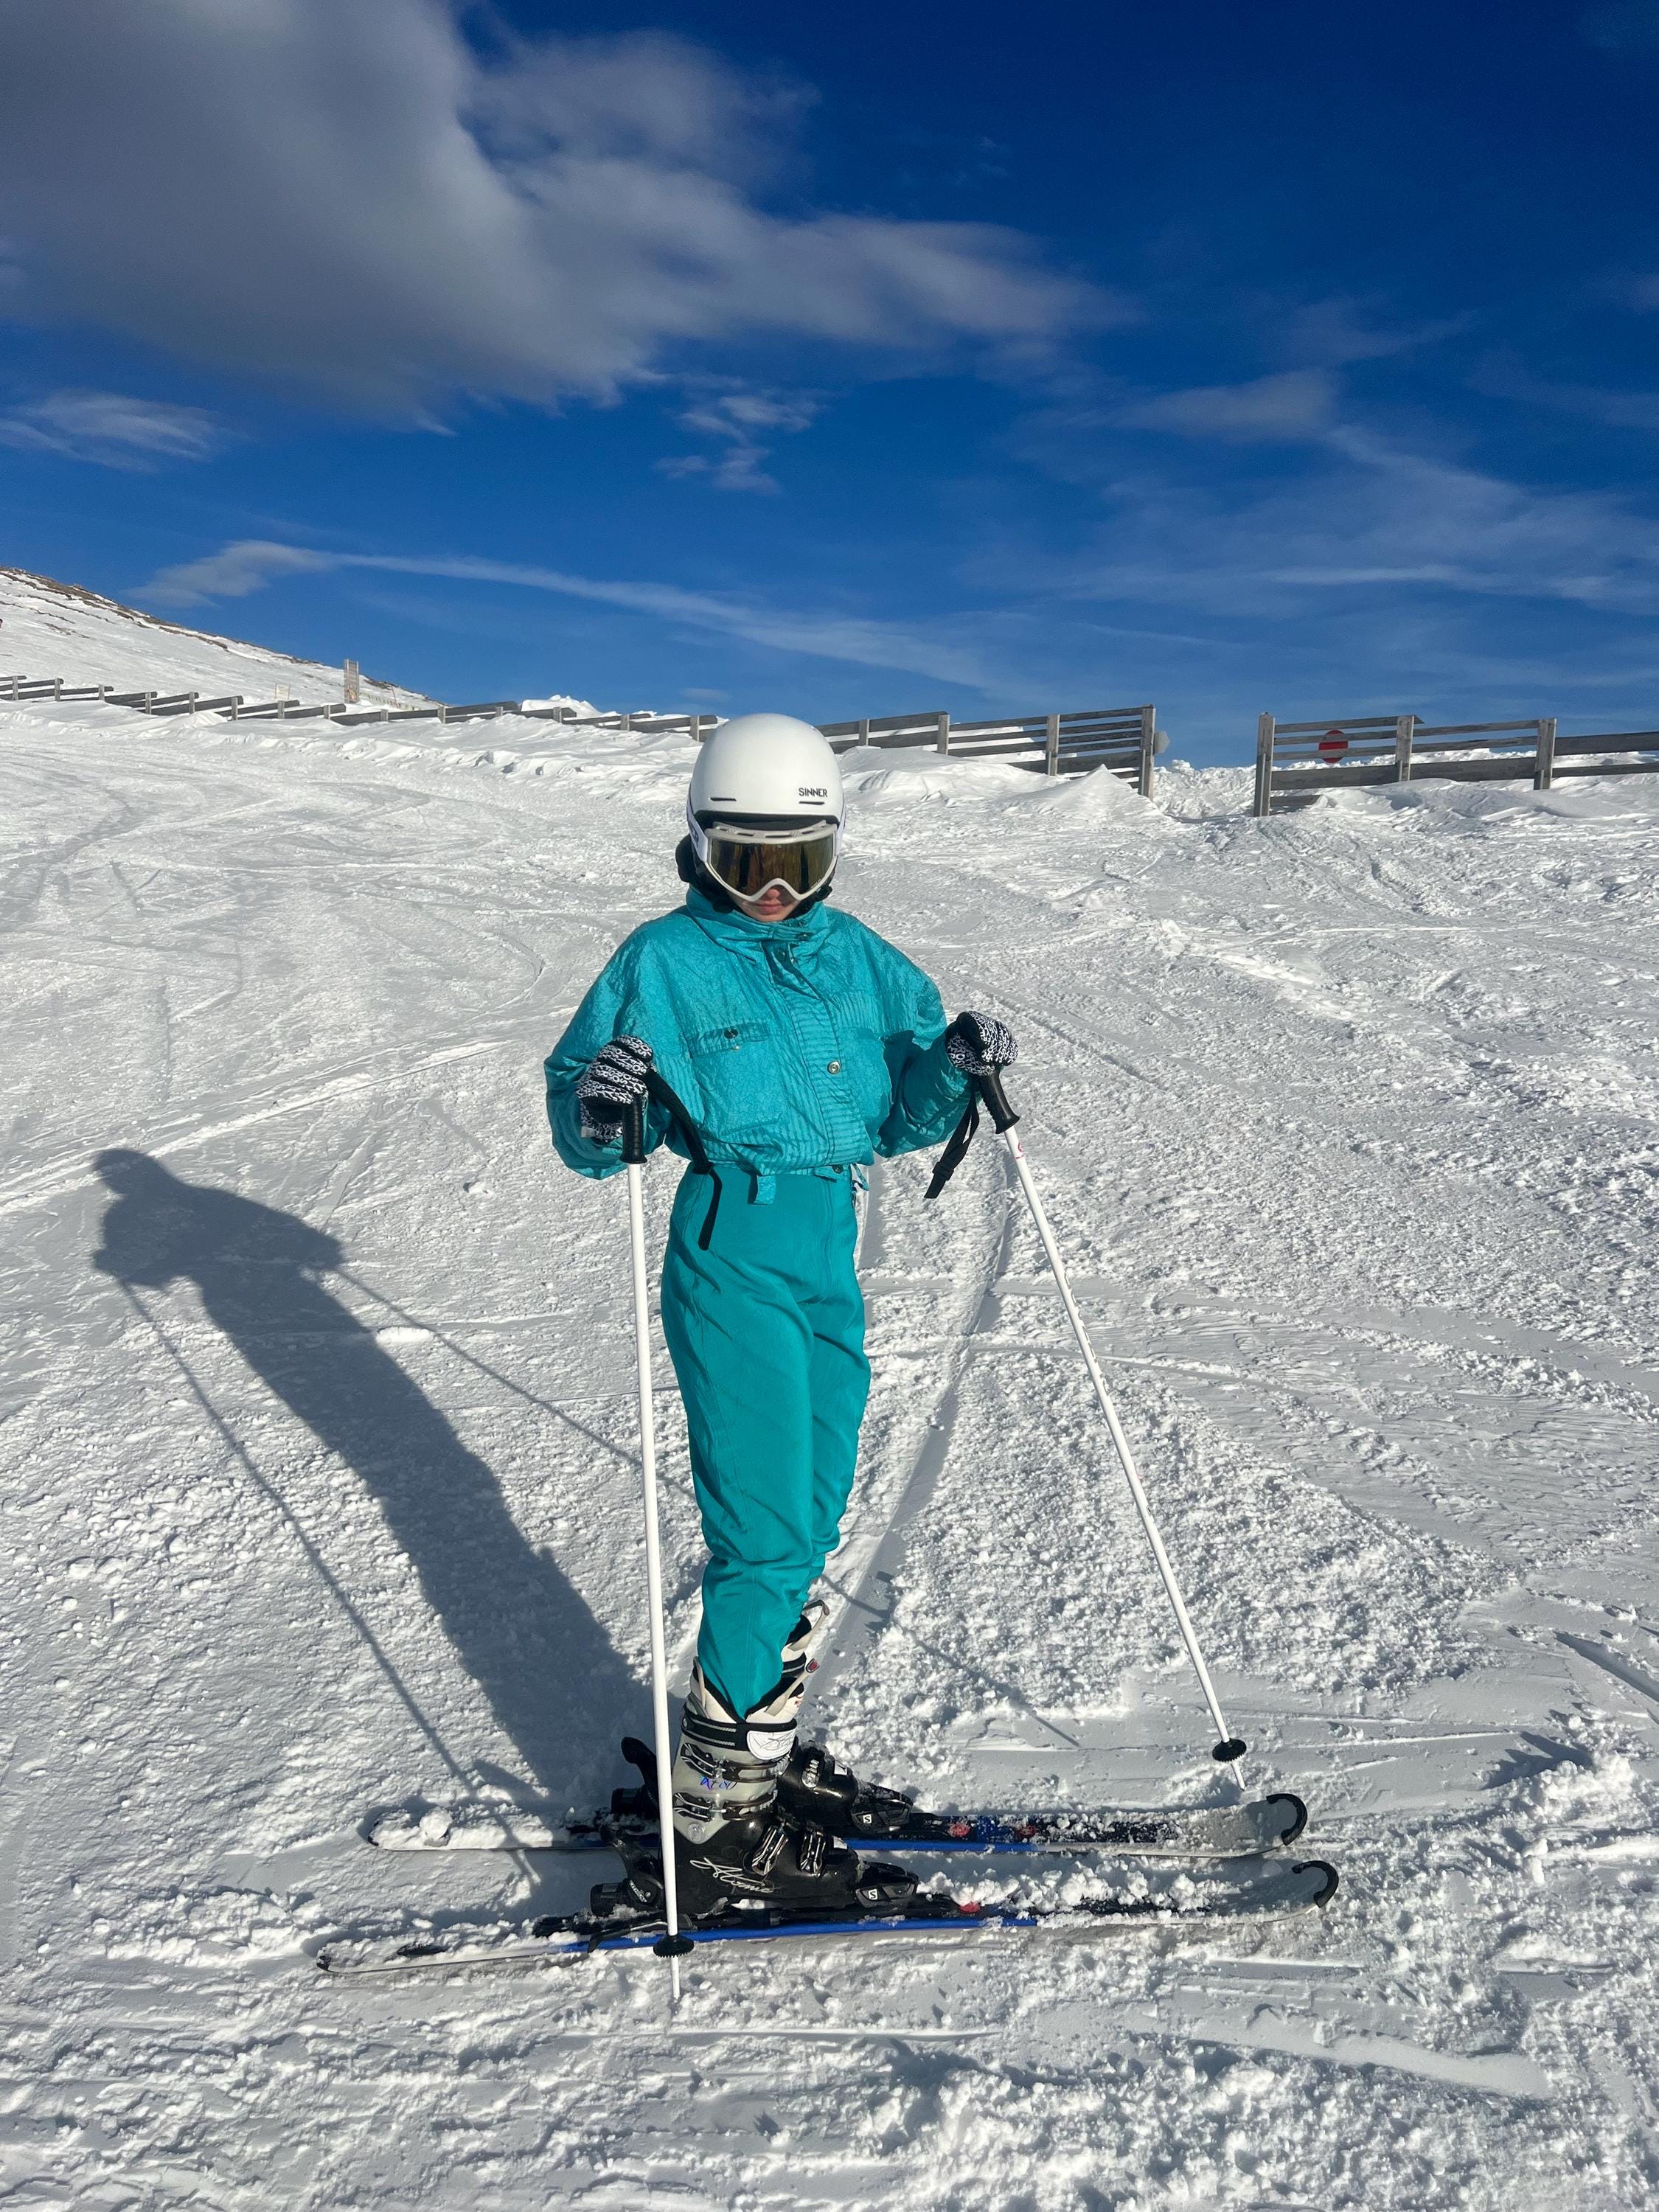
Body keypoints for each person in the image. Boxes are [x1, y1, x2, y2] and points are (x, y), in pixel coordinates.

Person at [543, 712, 1017, 1918]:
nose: (767, 889)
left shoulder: (861, 959)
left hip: (828, 1242)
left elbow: (901, 1115)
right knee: (762, 1538)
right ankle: (718, 1828)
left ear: (830, 855)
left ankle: (742, 1746)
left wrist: (951, 1063)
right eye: (742, 861)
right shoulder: (661, 960)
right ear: (698, 847)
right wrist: (607, 1109)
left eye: (794, 863)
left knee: (808, 1517)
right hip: (732, 1240)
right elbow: (593, 1127)